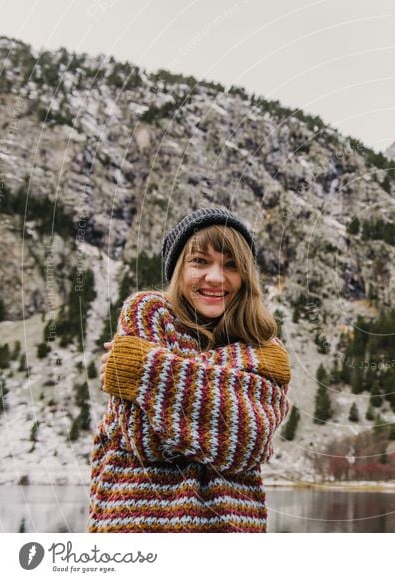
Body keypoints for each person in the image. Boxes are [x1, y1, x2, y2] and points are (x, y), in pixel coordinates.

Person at [87, 207, 292, 533]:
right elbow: (145, 439)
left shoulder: (265, 344)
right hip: (139, 528)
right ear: (178, 269)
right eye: (199, 261)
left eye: (231, 265)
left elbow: (248, 442)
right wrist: (236, 379)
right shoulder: (149, 312)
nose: (215, 277)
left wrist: (141, 368)